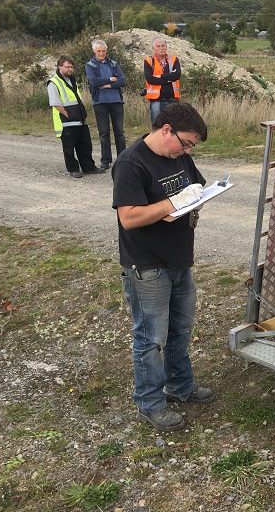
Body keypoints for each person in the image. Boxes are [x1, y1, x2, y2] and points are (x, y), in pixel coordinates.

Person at [112, 102, 214, 431]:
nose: (187, 151)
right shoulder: (131, 162)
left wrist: (200, 195)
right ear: (166, 129)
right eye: (185, 143)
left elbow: (194, 186)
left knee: (180, 330)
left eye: (192, 147)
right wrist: (173, 203)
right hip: (148, 264)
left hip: (179, 259)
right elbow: (128, 217)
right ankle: (150, 402)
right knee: (151, 338)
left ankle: (180, 386)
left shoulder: (180, 155)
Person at [46, 55, 105, 179]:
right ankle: (73, 169)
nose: (70, 69)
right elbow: (55, 103)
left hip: (79, 118)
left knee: (85, 144)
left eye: (71, 67)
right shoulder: (54, 82)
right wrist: (68, 115)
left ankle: (88, 167)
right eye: (67, 67)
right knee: (69, 147)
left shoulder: (72, 80)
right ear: (60, 66)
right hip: (66, 121)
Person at [85, 39, 126, 170]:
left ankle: (122, 159)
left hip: (116, 101)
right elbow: (94, 81)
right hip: (100, 102)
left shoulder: (113, 64)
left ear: (106, 51)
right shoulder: (90, 65)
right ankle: (105, 161)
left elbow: (123, 80)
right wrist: (110, 79)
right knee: (104, 133)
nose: (101, 53)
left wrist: (107, 85)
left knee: (119, 132)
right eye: (99, 51)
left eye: (103, 51)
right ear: (94, 51)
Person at [144, 37, 181, 124]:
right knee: (157, 125)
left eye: (163, 45)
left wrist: (159, 76)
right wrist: (168, 80)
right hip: (156, 100)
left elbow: (177, 75)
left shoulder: (174, 59)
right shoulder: (149, 61)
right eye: (158, 46)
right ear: (154, 48)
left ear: (166, 47)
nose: (161, 48)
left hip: (172, 99)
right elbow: (149, 79)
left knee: (173, 126)